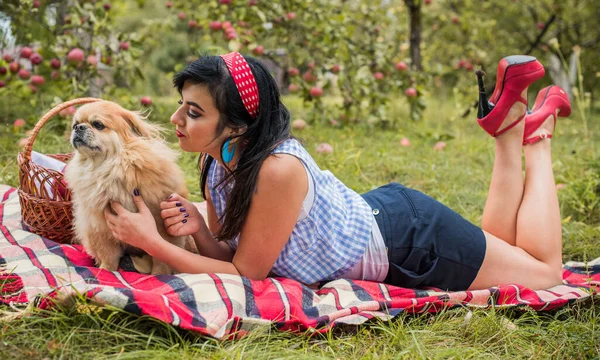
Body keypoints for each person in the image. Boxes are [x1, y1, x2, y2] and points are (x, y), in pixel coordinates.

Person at [104, 52, 571, 291]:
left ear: (239, 123)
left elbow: (248, 276)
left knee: (545, 275)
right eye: (181, 107)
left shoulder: (277, 168)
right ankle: (508, 132)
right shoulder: (218, 158)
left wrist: (149, 241)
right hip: (383, 216)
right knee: (507, 251)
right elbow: (231, 250)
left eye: (193, 112)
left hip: (411, 240)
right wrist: (201, 230)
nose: (176, 121)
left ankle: (538, 138)